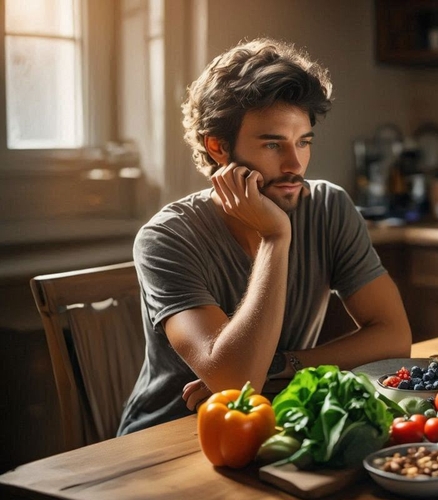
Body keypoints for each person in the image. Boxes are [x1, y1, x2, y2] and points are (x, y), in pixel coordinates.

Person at [117, 38, 411, 435]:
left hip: (275, 423)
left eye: (303, 142)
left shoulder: (329, 207)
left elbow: (393, 338)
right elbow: (238, 385)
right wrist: (275, 238)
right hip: (171, 438)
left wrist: (281, 366)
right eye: (273, 144)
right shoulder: (166, 238)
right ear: (217, 147)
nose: (295, 165)